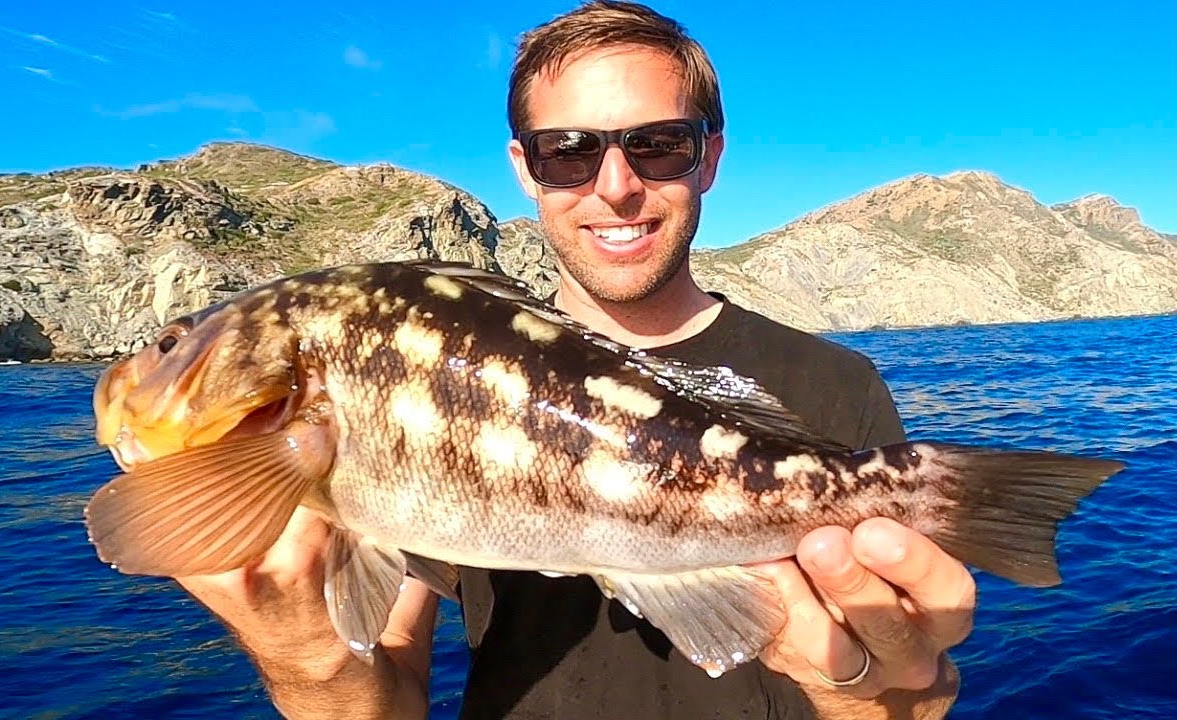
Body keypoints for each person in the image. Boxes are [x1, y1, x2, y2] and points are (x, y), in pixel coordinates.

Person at [176, 2, 975, 718]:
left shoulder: (838, 385)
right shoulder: (432, 386)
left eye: (659, 145)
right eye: (568, 151)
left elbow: (913, 694)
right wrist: (306, 655)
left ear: (710, 158)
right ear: (525, 167)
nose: (616, 186)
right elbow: (382, 704)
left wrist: (880, 693)